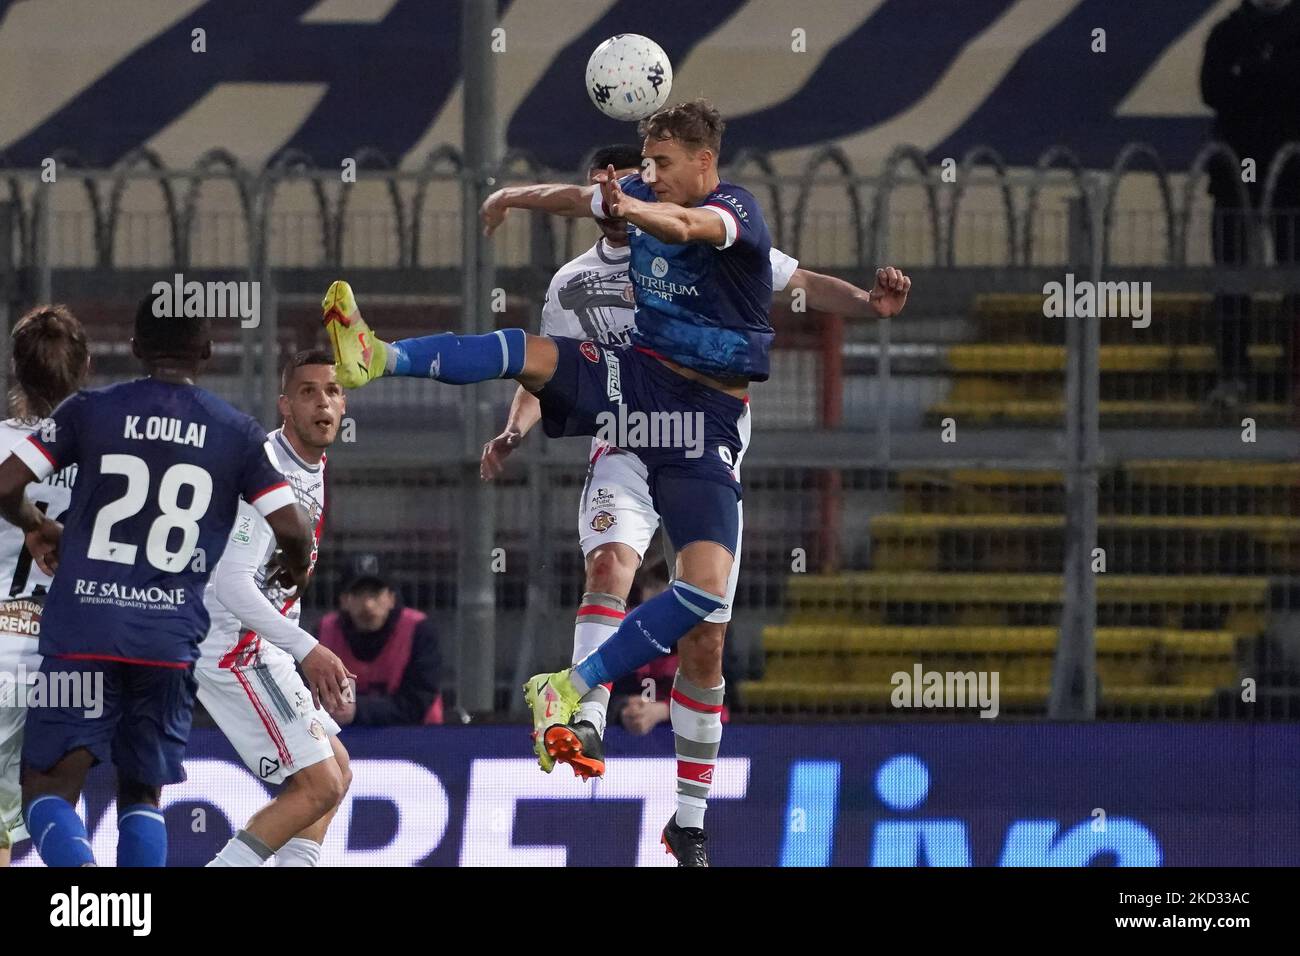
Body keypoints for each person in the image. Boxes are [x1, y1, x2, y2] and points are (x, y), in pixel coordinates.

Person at [321, 99, 911, 865]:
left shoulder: (731, 212)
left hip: (706, 427)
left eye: (663, 164)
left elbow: (703, 236)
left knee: (706, 611)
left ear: (704, 162)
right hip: (637, 391)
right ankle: (379, 358)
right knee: (531, 355)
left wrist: (869, 303)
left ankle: (679, 807)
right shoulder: (591, 258)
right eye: (644, 165)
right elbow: (582, 199)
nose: (649, 176)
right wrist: (513, 196)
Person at [479, 142, 890, 784]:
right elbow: (548, 371)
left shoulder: (696, 247)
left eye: (631, 178)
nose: (614, 193)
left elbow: (802, 284)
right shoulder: (571, 283)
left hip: (703, 447)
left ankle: (690, 817)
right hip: (626, 441)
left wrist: (869, 303)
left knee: (705, 637)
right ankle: (585, 715)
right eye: (602, 184)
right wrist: (512, 428)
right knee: (610, 564)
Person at [0, 293, 348, 868]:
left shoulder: (92, 412)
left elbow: (7, 484)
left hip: (83, 627)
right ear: (208, 353)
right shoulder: (234, 432)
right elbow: (293, 529)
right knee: (141, 793)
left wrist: (38, 527)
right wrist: (295, 567)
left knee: (47, 788)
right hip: (166, 641)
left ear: (134, 348)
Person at [196, 349, 355, 868]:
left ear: (344, 403)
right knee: (319, 784)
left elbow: (277, 581)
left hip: (265, 646)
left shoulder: (311, 464)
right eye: (308, 392)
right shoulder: (266, 471)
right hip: (234, 647)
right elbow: (232, 585)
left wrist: (294, 646)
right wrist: (307, 650)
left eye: (331, 391)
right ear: (284, 404)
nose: (322, 403)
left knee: (338, 772)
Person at [0, 306, 89, 867]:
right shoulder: (107, 456)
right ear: (83, 372)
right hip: (74, 653)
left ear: (15, 368)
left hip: (3, 643)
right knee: (50, 801)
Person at [1199, 0, 1300, 408]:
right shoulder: (1227, 32)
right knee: (1231, 281)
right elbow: (1214, 90)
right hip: (1235, 172)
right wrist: (1272, 81)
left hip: (1293, 177)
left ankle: (1295, 375)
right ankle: (1232, 376)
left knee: (1296, 279)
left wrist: (1251, 76)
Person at [316, 554, 443, 726]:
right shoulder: (323, 633)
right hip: (343, 737)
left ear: (391, 598)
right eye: (358, 594)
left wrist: (357, 710)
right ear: (344, 601)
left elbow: (418, 701)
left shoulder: (419, 631)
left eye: (375, 593)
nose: (368, 605)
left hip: (417, 737)